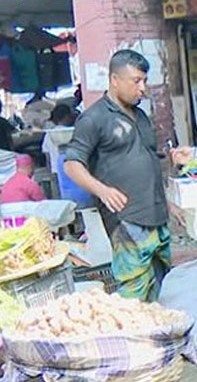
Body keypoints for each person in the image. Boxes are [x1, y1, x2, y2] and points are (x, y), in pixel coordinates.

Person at [63, 50, 178, 302]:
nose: (143, 88)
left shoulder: (141, 116)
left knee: (164, 286)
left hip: (156, 214)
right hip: (127, 218)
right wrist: (102, 191)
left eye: (144, 81)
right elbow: (72, 164)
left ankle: (160, 338)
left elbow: (148, 159)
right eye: (136, 81)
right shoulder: (93, 119)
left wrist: (168, 197)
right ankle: (136, 340)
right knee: (134, 290)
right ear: (115, 80)